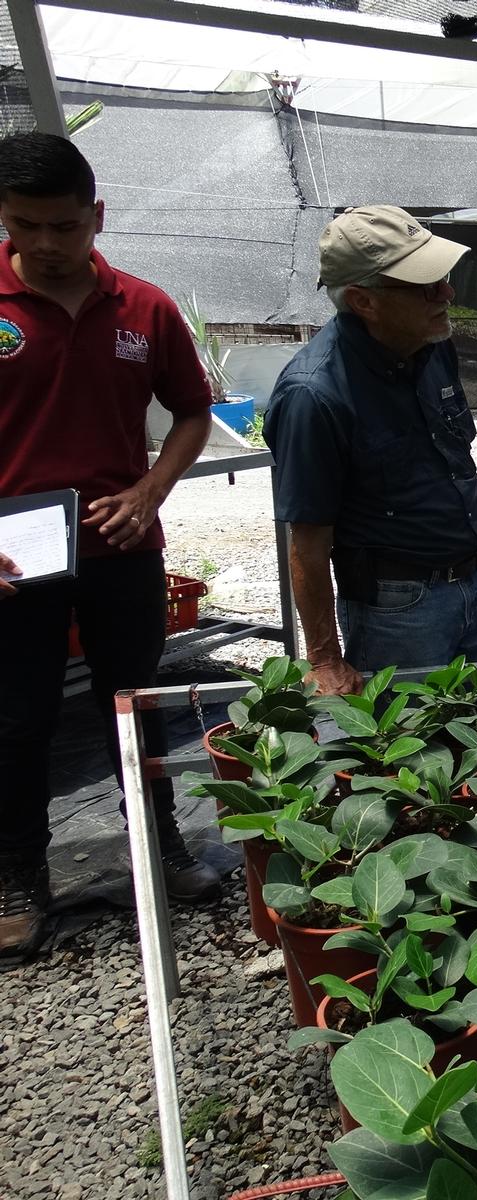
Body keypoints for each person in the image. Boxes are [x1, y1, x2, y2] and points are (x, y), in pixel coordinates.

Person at [0, 132, 221, 958]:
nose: (48, 246)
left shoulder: (145, 308)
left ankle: (159, 847)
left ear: (97, 215)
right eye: (27, 226)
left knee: (135, 703)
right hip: (15, 559)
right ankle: (20, 876)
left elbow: (192, 413)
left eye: (66, 226)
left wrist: (149, 491)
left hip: (120, 544)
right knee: (16, 721)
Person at [265, 206, 477, 697]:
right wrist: (325, 658)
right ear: (363, 301)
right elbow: (307, 541)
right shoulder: (313, 396)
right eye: (425, 285)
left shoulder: (431, 341)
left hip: (476, 581)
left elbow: (453, 460)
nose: (447, 293)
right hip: (398, 608)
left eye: (442, 277)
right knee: (410, 754)